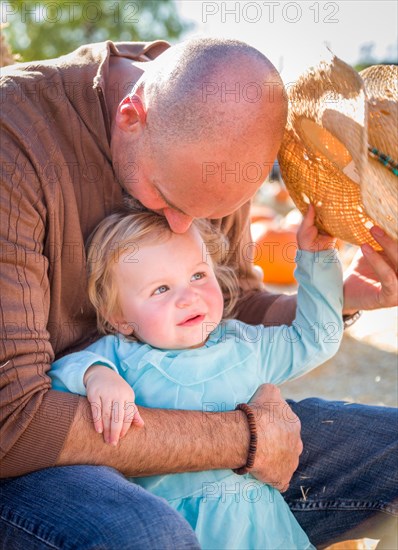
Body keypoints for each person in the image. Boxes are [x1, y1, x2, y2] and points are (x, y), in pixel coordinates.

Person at [0, 37, 396, 549]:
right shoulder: (16, 137)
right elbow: (12, 422)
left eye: (209, 215)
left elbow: (236, 308)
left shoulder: (225, 132)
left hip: (222, 469)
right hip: (43, 456)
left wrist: (336, 298)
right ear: (131, 116)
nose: (184, 227)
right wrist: (246, 439)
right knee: (149, 535)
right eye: (167, 197)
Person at [50, 205, 342, 550]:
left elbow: (316, 339)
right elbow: (58, 378)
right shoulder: (121, 357)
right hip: (175, 529)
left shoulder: (244, 345)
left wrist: (318, 259)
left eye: (198, 275)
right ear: (119, 317)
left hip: (261, 531)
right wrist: (96, 375)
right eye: (160, 289)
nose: (188, 297)